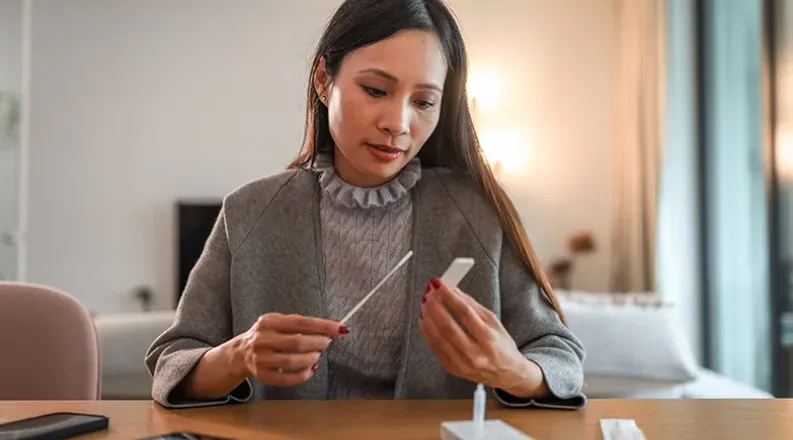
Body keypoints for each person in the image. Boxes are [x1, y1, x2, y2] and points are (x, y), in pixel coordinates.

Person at [146, 0, 586, 410]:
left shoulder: (475, 213)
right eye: (376, 90)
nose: (397, 124)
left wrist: (513, 370)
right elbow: (172, 363)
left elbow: (559, 357)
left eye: (424, 102)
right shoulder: (250, 212)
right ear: (324, 81)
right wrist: (239, 355)